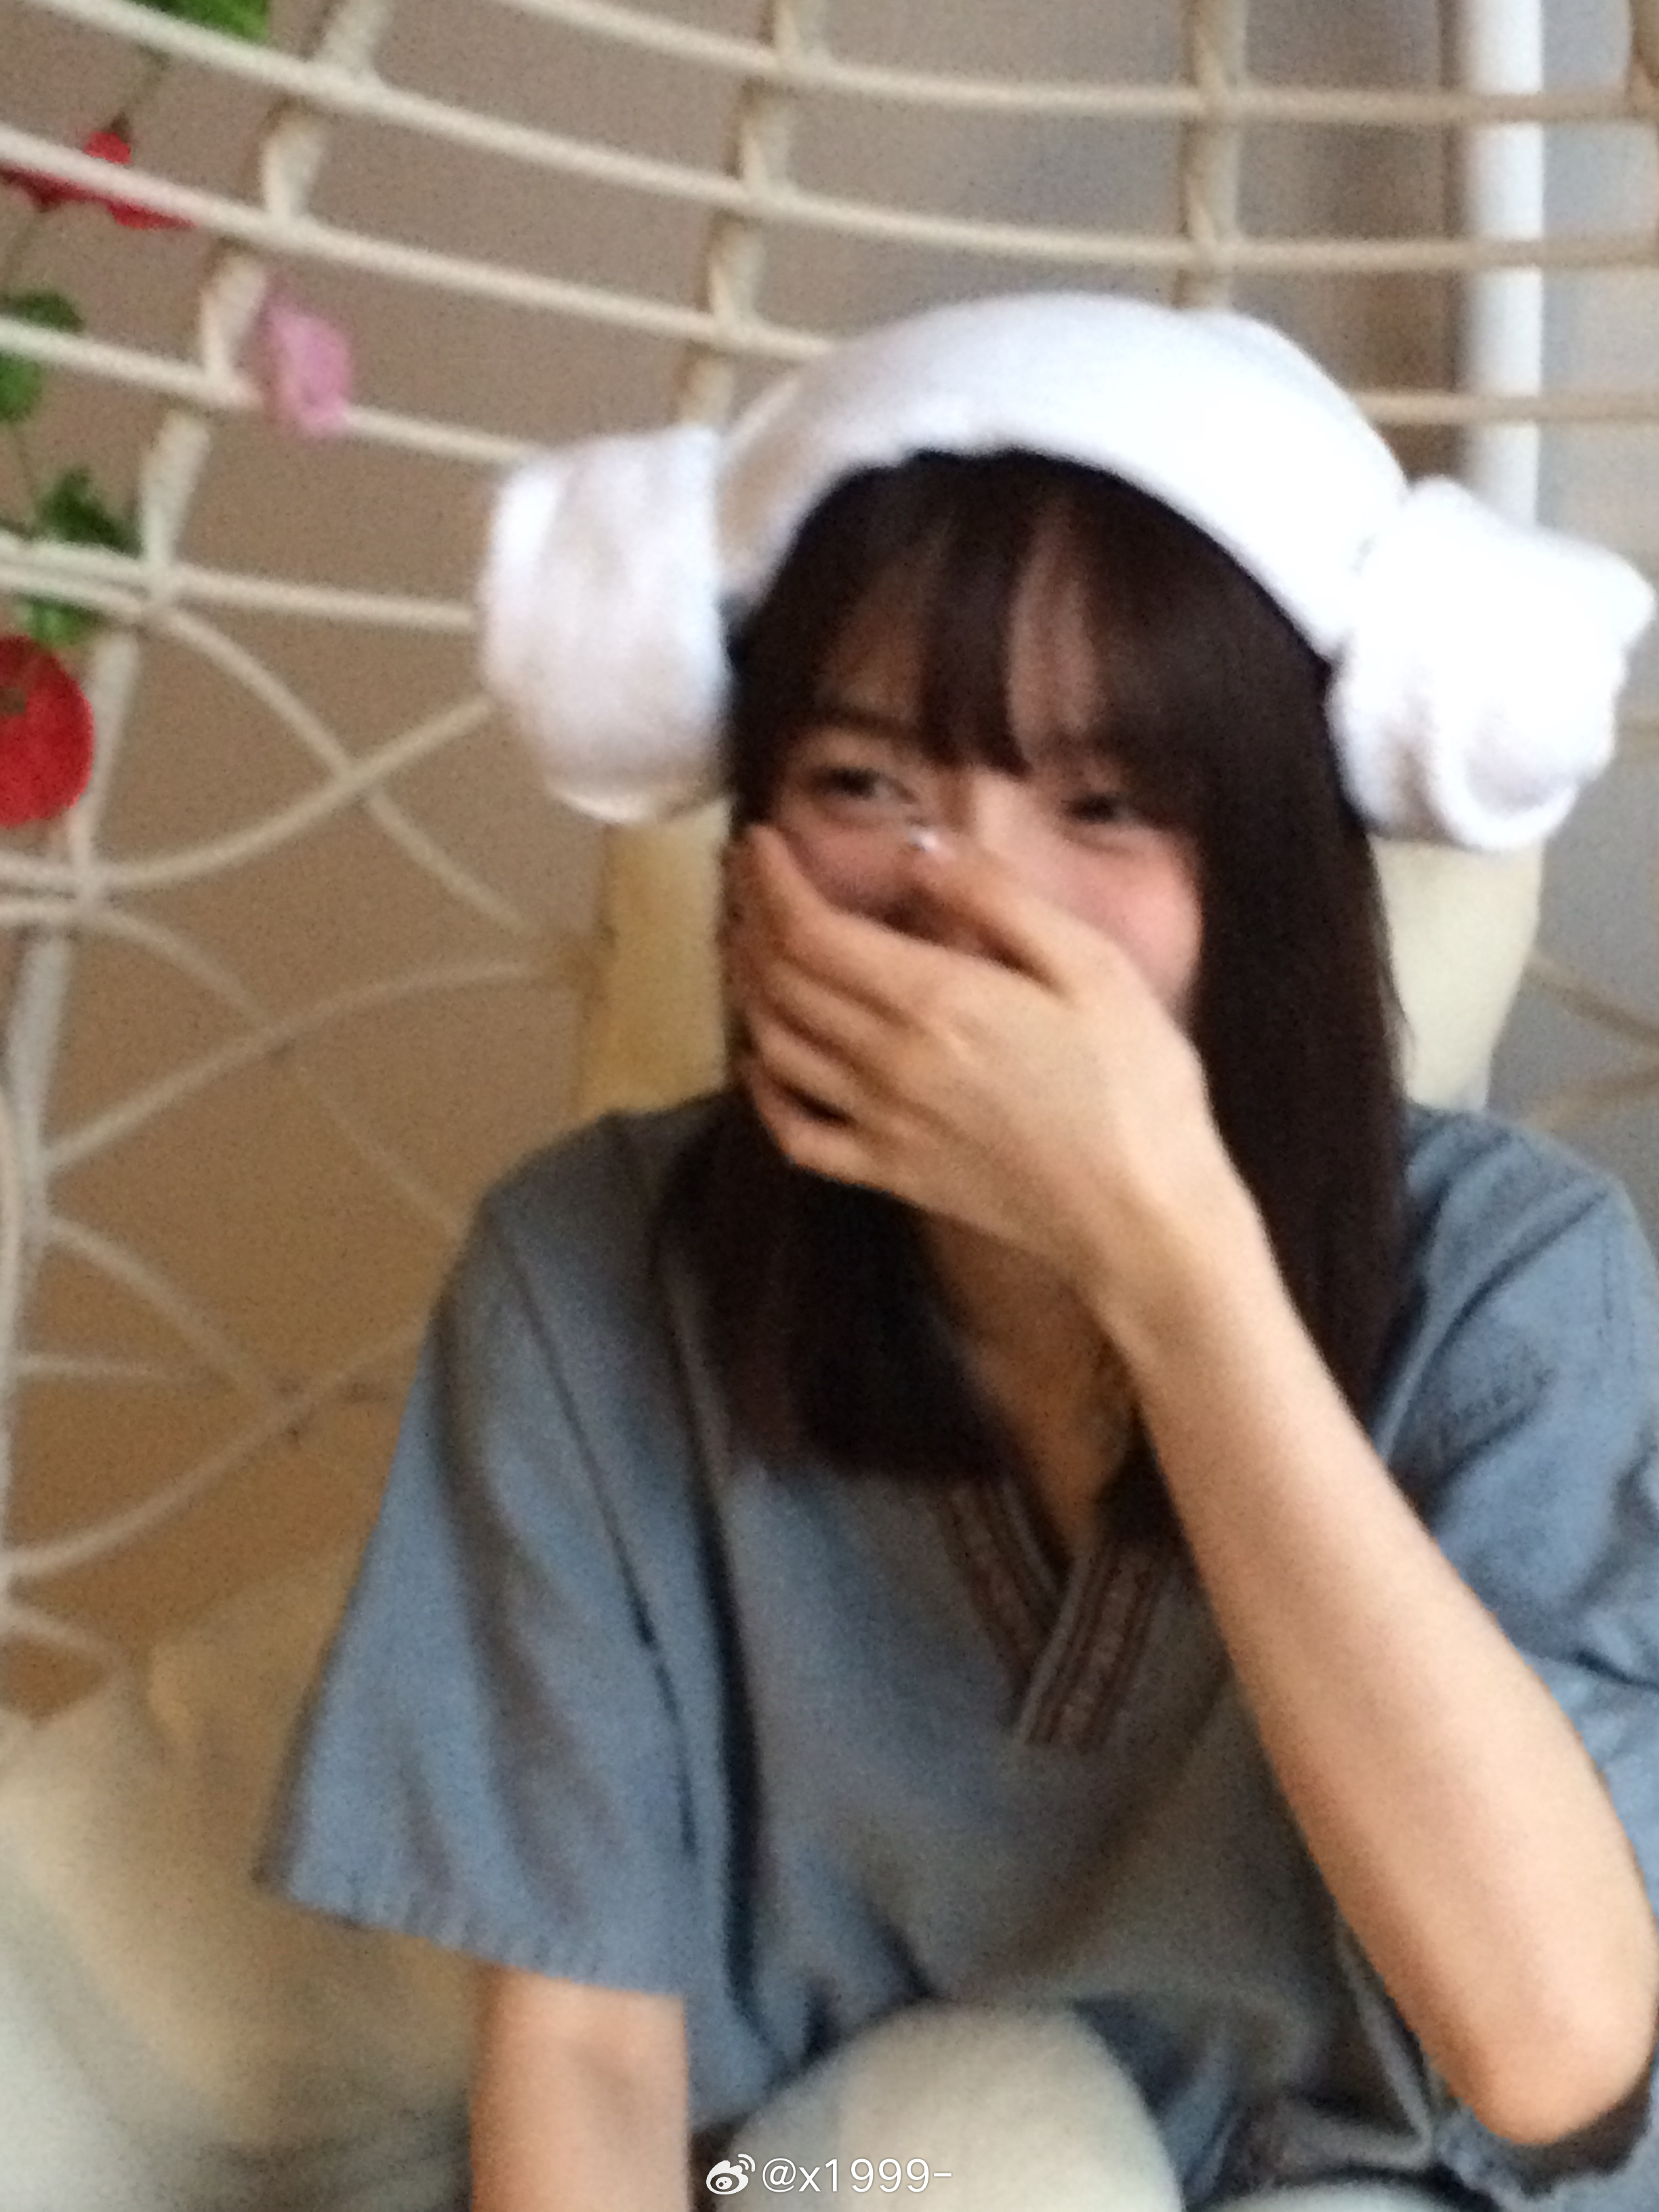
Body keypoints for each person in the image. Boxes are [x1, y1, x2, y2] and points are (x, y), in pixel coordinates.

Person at [263, 295, 1659, 2212]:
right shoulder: (582, 1281)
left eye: (1109, 807)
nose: (975, 909)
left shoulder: (1512, 1282)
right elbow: (587, 2060)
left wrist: (1168, 1259)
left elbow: (1557, 2045)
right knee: (966, 2157)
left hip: (1382, 2178)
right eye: (868, 788)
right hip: (828, 2181)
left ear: (1272, 877)